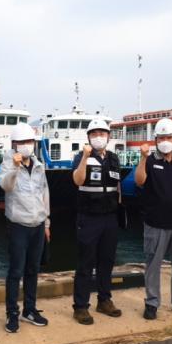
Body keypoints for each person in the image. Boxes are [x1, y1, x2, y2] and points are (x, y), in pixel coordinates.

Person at [134, 118, 172, 321]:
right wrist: (143, 158)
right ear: (155, 140)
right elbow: (139, 181)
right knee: (153, 264)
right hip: (155, 223)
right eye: (161, 138)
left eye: (168, 137)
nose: (165, 141)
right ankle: (152, 303)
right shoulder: (150, 161)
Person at [0, 122, 51, 333]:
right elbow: (6, 186)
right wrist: (15, 167)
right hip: (18, 225)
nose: (27, 145)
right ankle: (12, 313)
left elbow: (45, 193)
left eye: (30, 141)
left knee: (33, 270)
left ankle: (29, 309)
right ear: (14, 144)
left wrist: (47, 222)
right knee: (15, 271)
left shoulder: (39, 165)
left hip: (38, 225)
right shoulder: (7, 163)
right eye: (22, 142)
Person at [71, 119, 122, 325]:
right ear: (88, 137)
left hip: (110, 217)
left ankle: (104, 300)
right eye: (94, 134)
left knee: (107, 261)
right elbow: (77, 180)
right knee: (85, 263)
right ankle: (80, 307)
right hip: (89, 217)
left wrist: (120, 210)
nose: (98, 137)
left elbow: (117, 185)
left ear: (109, 136)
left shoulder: (114, 158)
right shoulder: (81, 157)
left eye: (102, 133)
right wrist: (85, 157)